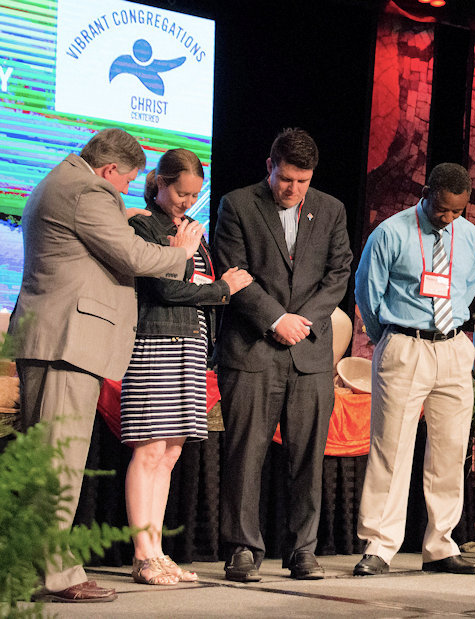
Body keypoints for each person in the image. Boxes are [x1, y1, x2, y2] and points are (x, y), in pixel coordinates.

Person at [10, 128, 203, 602]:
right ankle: (55, 574)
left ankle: (41, 568)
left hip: (58, 340)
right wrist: (181, 252)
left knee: (51, 463)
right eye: (125, 183)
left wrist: (123, 212)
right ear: (110, 170)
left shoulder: (68, 182)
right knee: (59, 464)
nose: (123, 192)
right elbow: (131, 254)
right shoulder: (87, 189)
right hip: (65, 343)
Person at [213, 128, 352, 582]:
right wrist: (276, 319)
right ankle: (242, 549)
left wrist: (302, 321)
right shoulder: (237, 204)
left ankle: (303, 550)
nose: (292, 189)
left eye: (302, 181)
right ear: (269, 166)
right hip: (252, 350)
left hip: (310, 354)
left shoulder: (331, 210)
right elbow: (234, 271)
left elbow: (338, 274)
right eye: (286, 178)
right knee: (244, 454)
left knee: (308, 458)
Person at [121, 149, 253, 586]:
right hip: (156, 343)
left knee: (171, 451)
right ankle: (143, 555)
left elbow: (190, 284)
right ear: (158, 183)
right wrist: (221, 289)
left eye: (195, 195)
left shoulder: (190, 231)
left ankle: (157, 551)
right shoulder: (144, 226)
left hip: (191, 348)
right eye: (181, 192)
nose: (187, 202)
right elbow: (163, 289)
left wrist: (211, 284)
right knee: (150, 448)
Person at [353, 162, 475, 576]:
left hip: (453, 346)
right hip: (405, 344)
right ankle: (380, 545)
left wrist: (451, 329)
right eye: (442, 209)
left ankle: (440, 544)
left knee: (449, 449)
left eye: (457, 212)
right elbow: (366, 291)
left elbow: (469, 286)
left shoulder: (469, 235)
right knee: (391, 447)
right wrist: (392, 337)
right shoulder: (391, 232)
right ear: (425, 193)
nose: (448, 219)